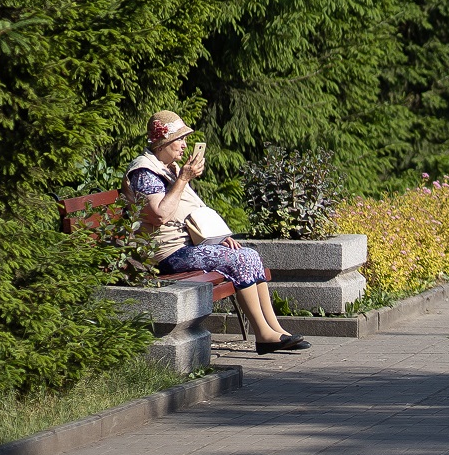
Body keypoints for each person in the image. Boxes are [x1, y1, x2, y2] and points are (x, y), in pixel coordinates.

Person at [124, 111, 310, 354]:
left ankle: (275, 329)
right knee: (239, 259)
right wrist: (183, 180)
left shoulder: (167, 168)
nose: (184, 145)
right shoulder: (144, 172)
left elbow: (189, 210)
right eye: (179, 139)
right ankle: (263, 335)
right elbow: (160, 215)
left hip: (185, 247)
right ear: (163, 142)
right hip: (166, 254)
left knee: (249, 255)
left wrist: (217, 237)